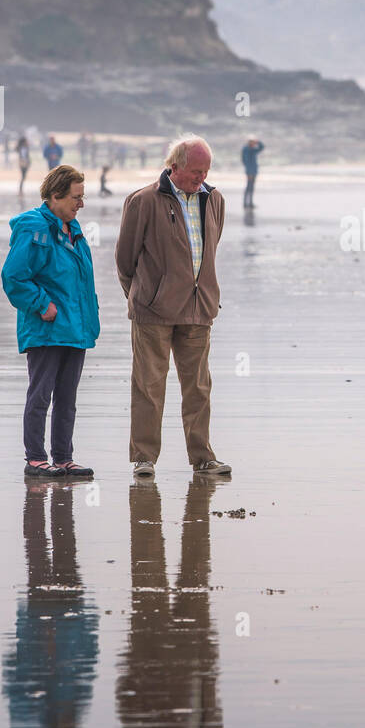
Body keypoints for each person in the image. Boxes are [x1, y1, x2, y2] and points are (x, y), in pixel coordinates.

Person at [115, 136, 231, 480]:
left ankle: (203, 458)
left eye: (206, 170)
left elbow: (210, 250)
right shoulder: (143, 201)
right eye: (196, 170)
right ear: (175, 166)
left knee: (198, 388)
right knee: (149, 386)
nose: (201, 177)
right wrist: (145, 298)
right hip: (153, 313)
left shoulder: (215, 200)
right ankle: (144, 458)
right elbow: (125, 261)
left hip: (199, 309)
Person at [1, 164, 100, 478]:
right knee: (40, 395)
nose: (81, 204)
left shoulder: (75, 230)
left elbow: (82, 285)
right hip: (46, 328)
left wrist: (89, 321)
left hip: (75, 329)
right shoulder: (33, 228)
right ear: (55, 195)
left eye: (82, 197)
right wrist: (42, 305)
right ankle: (35, 459)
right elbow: (14, 277)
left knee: (67, 399)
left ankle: (63, 457)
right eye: (76, 197)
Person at [241, 138, 265, 207]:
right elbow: (246, 162)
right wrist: (249, 172)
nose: (254, 144)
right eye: (252, 142)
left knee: (252, 187)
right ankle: (245, 203)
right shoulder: (246, 150)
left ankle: (250, 203)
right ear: (249, 142)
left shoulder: (253, 149)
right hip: (250, 172)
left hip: (254, 171)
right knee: (248, 187)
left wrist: (258, 141)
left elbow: (261, 147)